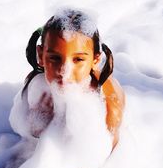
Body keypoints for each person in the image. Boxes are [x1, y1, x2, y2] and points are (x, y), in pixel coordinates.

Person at [11, 9, 125, 150]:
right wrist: (38, 123)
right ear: (41, 56)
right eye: (54, 58)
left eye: (78, 59)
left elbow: (100, 159)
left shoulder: (108, 109)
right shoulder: (36, 87)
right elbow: (29, 135)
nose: (64, 71)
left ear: (95, 60)